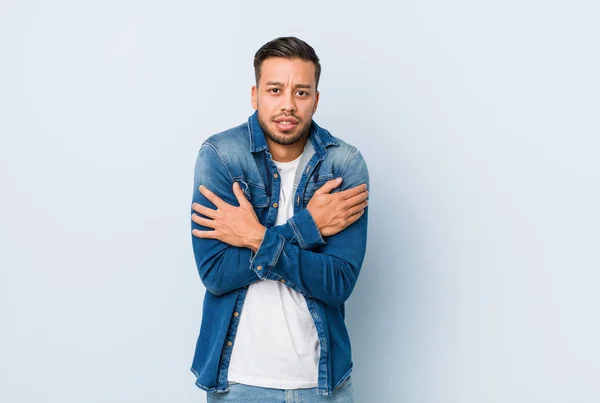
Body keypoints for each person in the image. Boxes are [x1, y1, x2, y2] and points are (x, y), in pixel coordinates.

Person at [190, 36, 369, 403]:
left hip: (323, 385)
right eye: (275, 89)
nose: (288, 104)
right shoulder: (221, 157)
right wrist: (307, 227)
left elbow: (337, 283)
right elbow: (217, 274)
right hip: (238, 382)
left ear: (316, 100)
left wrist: (254, 236)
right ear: (255, 95)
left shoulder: (343, 165)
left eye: (301, 93)